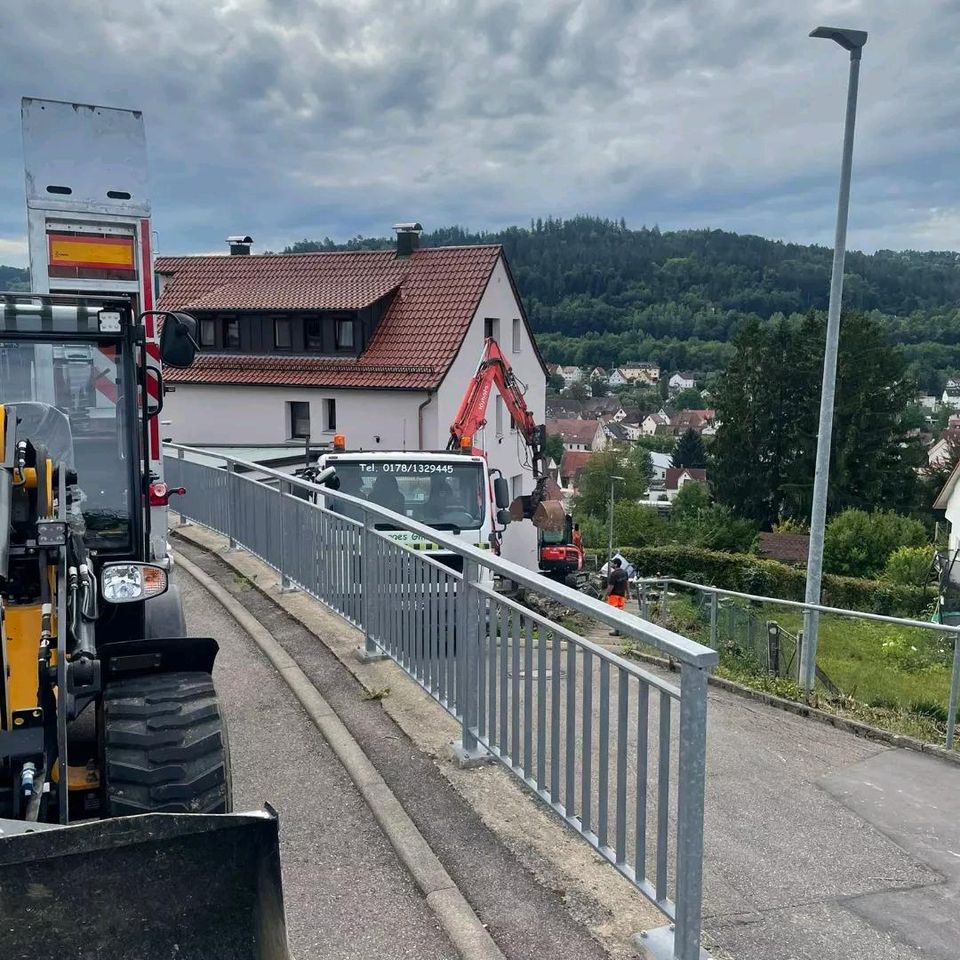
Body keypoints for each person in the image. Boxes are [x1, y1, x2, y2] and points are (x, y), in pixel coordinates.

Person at [604, 557, 629, 636]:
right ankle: (619, 630)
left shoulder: (613, 574)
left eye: (612, 563)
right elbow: (627, 584)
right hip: (622, 596)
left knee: (614, 614)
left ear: (616, 564)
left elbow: (610, 587)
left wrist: (605, 595)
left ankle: (616, 630)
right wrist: (628, 593)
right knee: (620, 613)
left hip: (614, 596)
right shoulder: (625, 572)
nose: (611, 564)